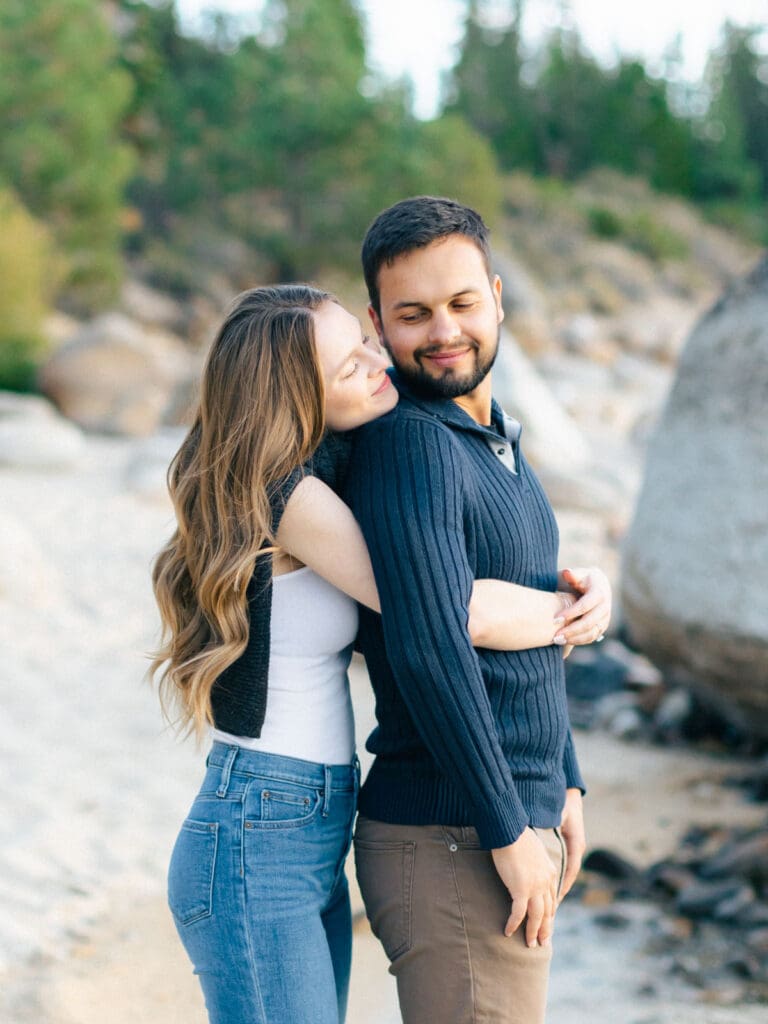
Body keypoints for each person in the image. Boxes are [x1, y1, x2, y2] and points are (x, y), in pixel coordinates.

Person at [151, 284, 610, 1024]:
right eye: (346, 368)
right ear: (295, 398)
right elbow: (448, 610)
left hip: (303, 817)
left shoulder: (328, 471)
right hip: (259, 829)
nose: (377, 364)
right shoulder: (284, 496)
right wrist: (577, 613)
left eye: (363, 343)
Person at [344, 195, 610, 1024]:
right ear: (377, 323)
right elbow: (428, 650)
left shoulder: (497, 443)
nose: (443, 331)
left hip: (497, 824)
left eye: (461, 304)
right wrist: (506, 831)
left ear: (496, 294)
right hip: (452, 833)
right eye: (413, 313)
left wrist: (564, 778)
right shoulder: (410, 445)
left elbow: (528, 646)